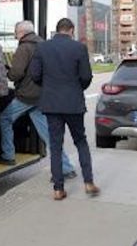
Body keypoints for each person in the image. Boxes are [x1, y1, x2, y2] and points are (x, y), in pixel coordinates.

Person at [29, 18, 98, 200]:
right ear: (71, 30)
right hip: (73, 103)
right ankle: (89, 182)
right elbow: (86, 76)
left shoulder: (42, 47)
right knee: (80, 141)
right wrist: (76, 88)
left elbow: (34, 74)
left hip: (51, 103)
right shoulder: (79, 48)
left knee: (55, 145)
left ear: (57, 30)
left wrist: (49, 87)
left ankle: (58, 189)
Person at [0, 21, 76, 178]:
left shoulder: (24, 47)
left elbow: (16, 74)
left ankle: (8, 155)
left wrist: (7, 71)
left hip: (28, 96)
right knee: (48, 134)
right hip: (43, 96)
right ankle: (66, 168)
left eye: (15, 32)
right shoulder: (46, 46)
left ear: (21, 32)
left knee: (4, 118)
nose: (14, 35)